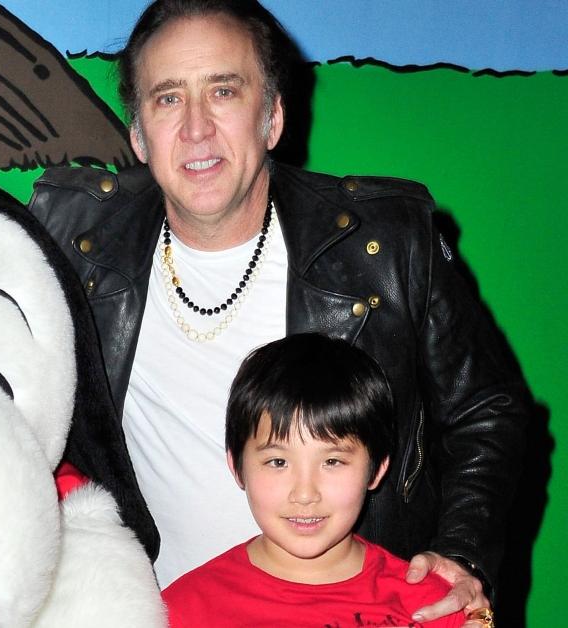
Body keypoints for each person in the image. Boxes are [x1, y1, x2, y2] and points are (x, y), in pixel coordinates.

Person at [26, 0, 527, 624]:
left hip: (351, 611)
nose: (197, 128)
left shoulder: (386, 243)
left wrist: (463, 552)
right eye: (168, 98)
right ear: (136, 134)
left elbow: (489, 409)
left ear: (272, 118)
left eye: (224, 91)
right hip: (151, 609)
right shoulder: (74, 242)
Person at [163, 333, 475, 627]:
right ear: (237, 466)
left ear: (377, 468)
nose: (304, 493)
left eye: (332, 461)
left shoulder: (434, 606)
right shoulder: (179, 609)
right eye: (278, 462)